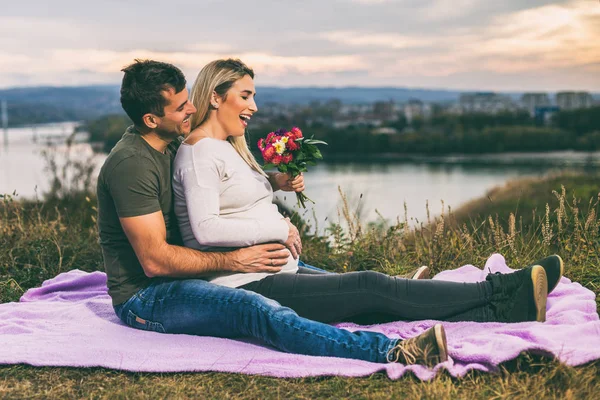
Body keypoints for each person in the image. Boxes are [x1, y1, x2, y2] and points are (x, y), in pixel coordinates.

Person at [97, 59, 563, 368]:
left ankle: (500, 301)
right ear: (151, 119)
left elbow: (216, 191)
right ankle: (398, 349)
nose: (191, 108)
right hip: (152, 295)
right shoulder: (134, 163)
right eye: (181, 106)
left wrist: (271, 184)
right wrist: (262, 239)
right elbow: (162, 257)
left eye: (188, 98)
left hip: (217, 271)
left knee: (365, 287)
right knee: (277, 310)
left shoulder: (180, 142)